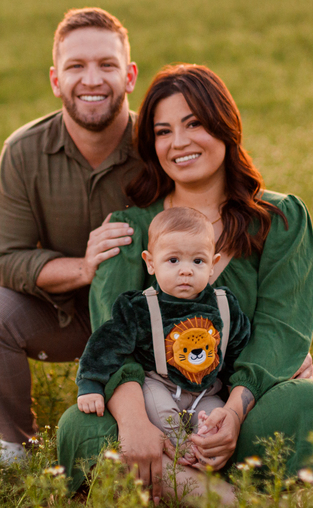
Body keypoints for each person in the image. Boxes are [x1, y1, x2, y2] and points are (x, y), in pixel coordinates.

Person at [57, 64, 313, 497]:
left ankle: (173, 487)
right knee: (78, 429)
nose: (179, 142)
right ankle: (229, 498)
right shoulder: (130, 228)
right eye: (162, 131)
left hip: (235, 412)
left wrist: (232, 414)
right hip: (151, 411)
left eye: (194, 123)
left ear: (225, 126)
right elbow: (110, 337)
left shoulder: (280, 218)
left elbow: (283, 329)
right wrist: (136, 428)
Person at [0, 7, 142, 480]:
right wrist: (83, 267)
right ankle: (13, 448)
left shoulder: (159, 142)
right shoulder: (23, 151)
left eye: (106, 64)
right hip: (67, 314)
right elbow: (4, 257)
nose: (92, 79)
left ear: (130, 75)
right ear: (57, 80)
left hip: (151, 318)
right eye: (76, 67)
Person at [75, 207, 251, 504]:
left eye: (198, 261)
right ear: (151, 263)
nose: (186, 270)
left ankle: (204, 455)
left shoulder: (223, 305)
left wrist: (237, 388)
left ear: (213, 265)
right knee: (162, 414)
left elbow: (240, 349)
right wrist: (90, 383)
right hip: (159, 383)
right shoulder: (140, 307)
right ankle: (181, 463)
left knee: (211, 421)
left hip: (206, 390)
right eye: (173, 260)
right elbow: (105, 345)